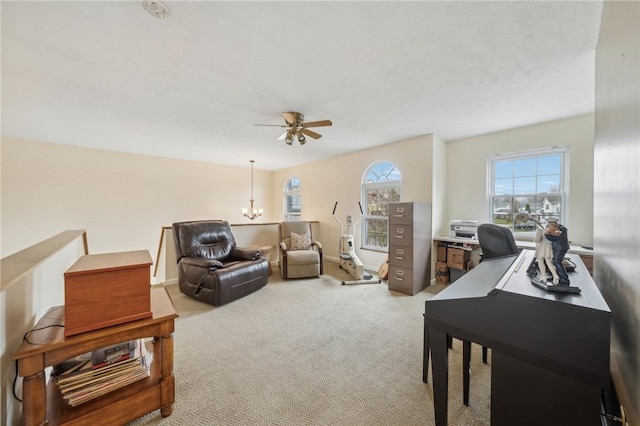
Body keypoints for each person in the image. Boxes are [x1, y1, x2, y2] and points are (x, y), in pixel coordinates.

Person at [544, 218, 570, 285]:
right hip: (556, 247)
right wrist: (547, 233)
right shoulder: (551, 229)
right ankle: (555, 276)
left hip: (561, 247)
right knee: (553, 261)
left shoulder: (562, 229)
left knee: (557, 261)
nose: (550, 225)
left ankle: (564, 280)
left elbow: (555, 238)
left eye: (551, 223)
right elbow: (551, 238)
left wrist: (548, 233)